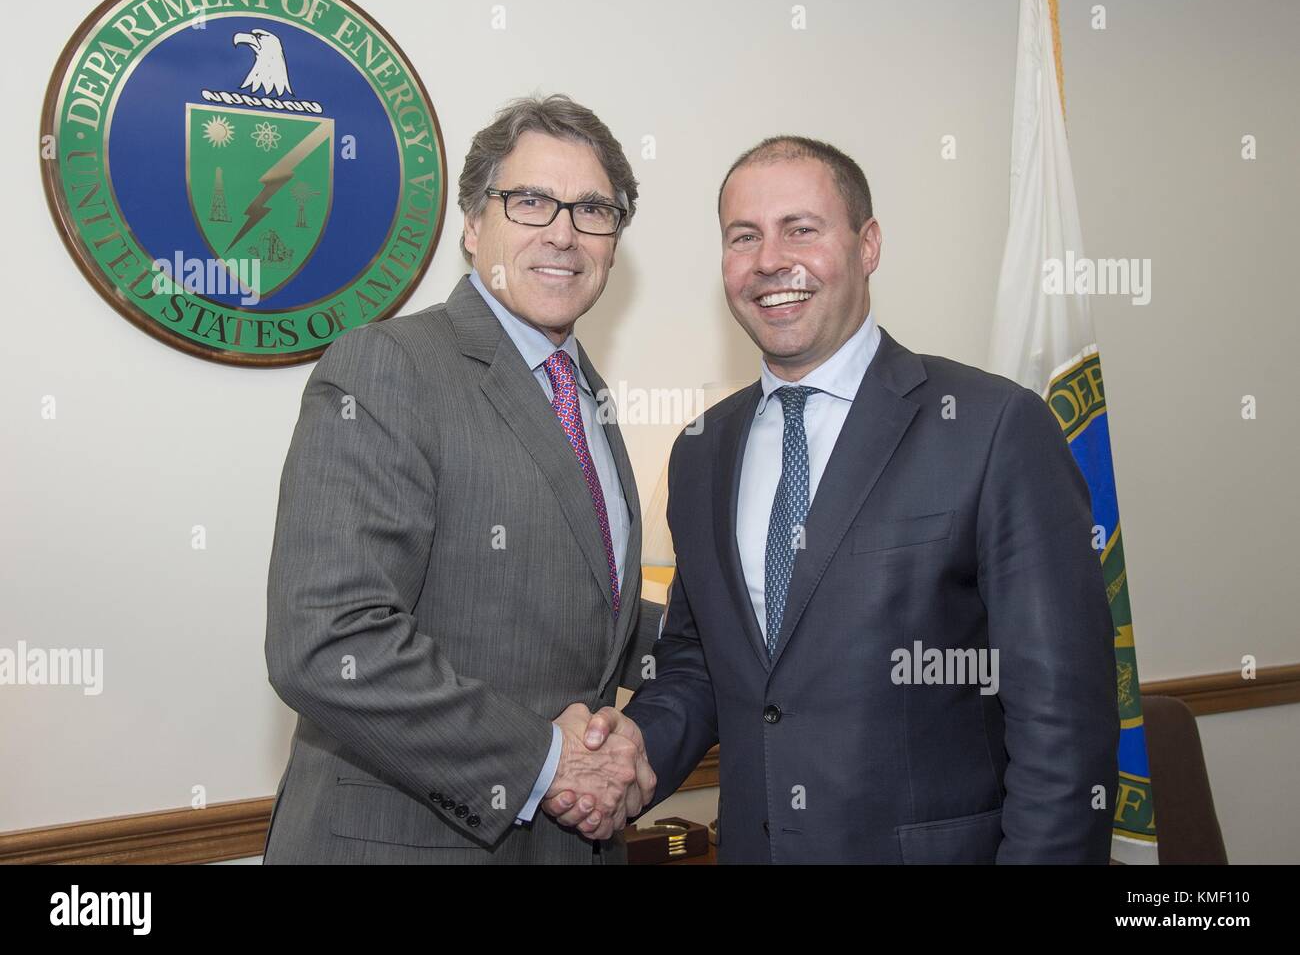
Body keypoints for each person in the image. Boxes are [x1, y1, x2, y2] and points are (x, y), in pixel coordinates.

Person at [550, 135, 1118, 863]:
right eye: (743, 236)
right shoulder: (701, 450)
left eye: (802, 229)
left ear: (868, 244)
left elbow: (1063, 721)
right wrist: (626, 762)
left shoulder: (991, 426)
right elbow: (698, 661)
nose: (768, 259)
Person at [263, 94, 659, 864]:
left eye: (593, 210)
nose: (564, 232)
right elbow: (327, 638)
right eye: (532, 201)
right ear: (475, 227)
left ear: (614, 241)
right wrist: (551, 760)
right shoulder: (389, 365)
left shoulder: (585, 392)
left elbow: (573, 603)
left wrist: (731, 643)